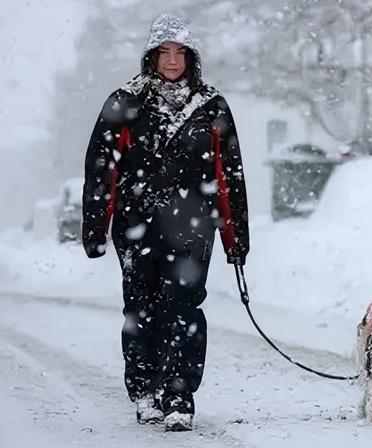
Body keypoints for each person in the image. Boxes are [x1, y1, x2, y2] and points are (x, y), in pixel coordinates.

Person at [81, 13, 249, 431]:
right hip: (136, 223)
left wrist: (236, 239)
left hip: (193, 226)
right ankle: (145, 391)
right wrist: (95, 227)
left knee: (183, 307)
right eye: (164, 52)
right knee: (141, 307)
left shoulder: (211, 105)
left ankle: (178, 396)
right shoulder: (125, 102)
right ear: (151, 57)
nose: (172, 60)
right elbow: (102, 169)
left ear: (191, 58)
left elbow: (229, 176)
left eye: (180, 52)